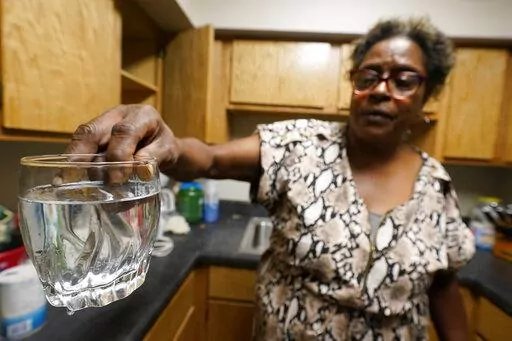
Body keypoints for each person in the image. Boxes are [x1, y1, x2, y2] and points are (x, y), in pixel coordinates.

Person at [66, 17, 475, 340]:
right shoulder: (300, 145)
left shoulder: (436, 185)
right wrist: (168, 144)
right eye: (368, 77)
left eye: (403, 80)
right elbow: (208, 159)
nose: (381, 90)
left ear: (428, 94)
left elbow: (441, 285)